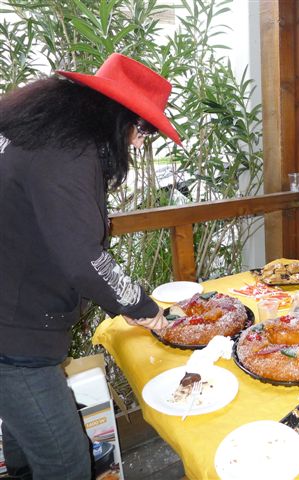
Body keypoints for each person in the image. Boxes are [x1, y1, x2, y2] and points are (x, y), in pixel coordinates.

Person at [0, 53, 181, 479]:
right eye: (143, 130)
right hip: (14, 338)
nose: (139, 143)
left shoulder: (43, 134)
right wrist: (142, 307)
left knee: (25, 450)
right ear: (117, 115)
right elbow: (83, 256)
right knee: (67, 464)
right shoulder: (67, 152)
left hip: (11, 318)